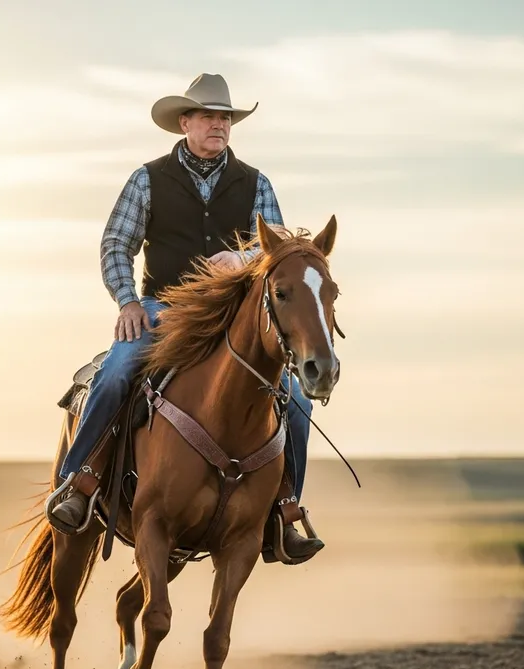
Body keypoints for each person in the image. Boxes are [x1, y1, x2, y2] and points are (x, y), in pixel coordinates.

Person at [53, 73, 323, 564]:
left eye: (225, 118)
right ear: (185, 122)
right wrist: (128, 302)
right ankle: (80, 482)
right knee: (115, 374)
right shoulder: (148, 178)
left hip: (232, 317)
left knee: (298, 398)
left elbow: (278, 244)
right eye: (208, 116)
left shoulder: (255, 182)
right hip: (163, 311)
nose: (219, 125)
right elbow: (117, 243)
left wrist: (242, 260)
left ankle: (285, 511)